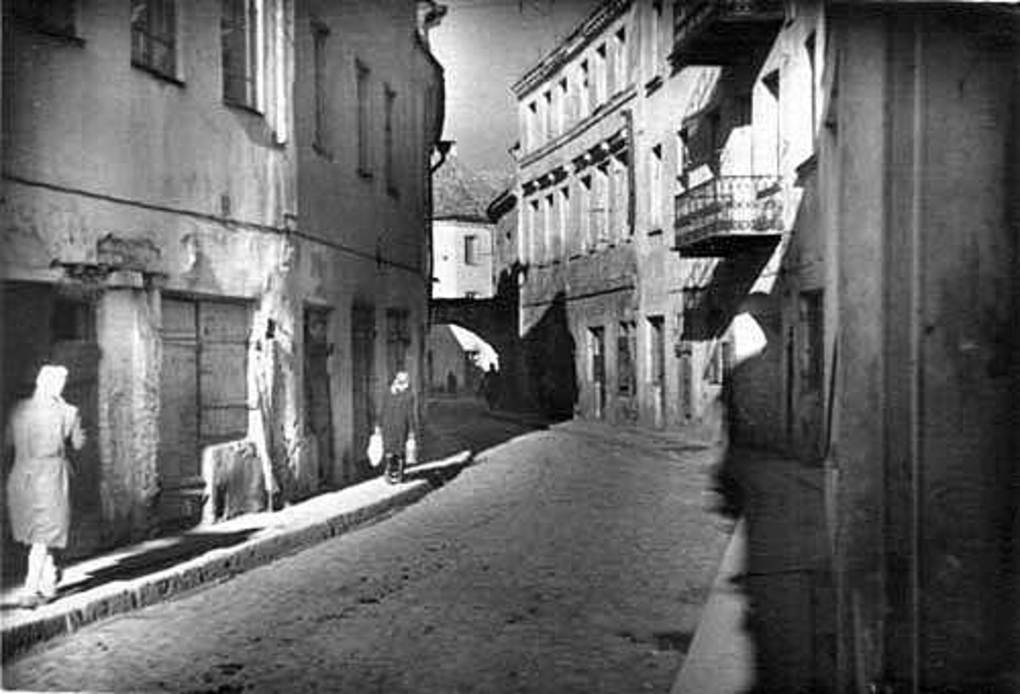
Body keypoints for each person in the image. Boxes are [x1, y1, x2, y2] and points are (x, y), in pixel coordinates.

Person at [5, 364, 85, 608]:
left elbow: (7, 443)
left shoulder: (19, 409)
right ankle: (30, 589)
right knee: (43, 534)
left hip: (22, 475)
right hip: (50, 477)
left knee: (38, 532)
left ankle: (49, 582)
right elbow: (79, 444)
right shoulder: (68, 412)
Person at [374, 371, 419, 485]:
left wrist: (378, 425)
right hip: (400, 426)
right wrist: (412, 430)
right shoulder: (408, 395)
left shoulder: (388, 393)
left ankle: (389, 472)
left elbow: (382, 410)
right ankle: (398, 473)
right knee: (399, 451)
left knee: (389, 450)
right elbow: (410, 414)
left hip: (388, 426)